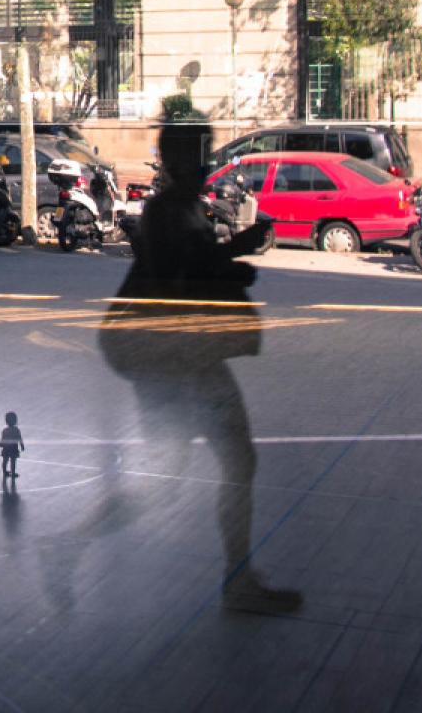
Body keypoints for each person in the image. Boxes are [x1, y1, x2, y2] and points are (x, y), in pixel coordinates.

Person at [99, 120, 298, 614]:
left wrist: (235, 253)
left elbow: (194, 266)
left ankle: (238, 577)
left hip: (184, 357)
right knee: (211, 469)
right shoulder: (167, 210)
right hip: (178, 360)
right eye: (198, 153)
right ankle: (237, 582)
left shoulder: (180, 207)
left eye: (205, 153)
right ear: (176, 160)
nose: (206, 162)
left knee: (207, 469)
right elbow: (181, 279)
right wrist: (235, 261)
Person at [0, 411, 24, 480]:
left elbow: (3, 438)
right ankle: (13, 473)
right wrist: (22, 445)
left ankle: (4, 472)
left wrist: (1, 444)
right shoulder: (16, 430)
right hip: (13, 448)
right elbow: (19, 438)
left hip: (6, 448)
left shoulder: (5, 430)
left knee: (5, 460)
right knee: (13, 461)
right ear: (15, 421)